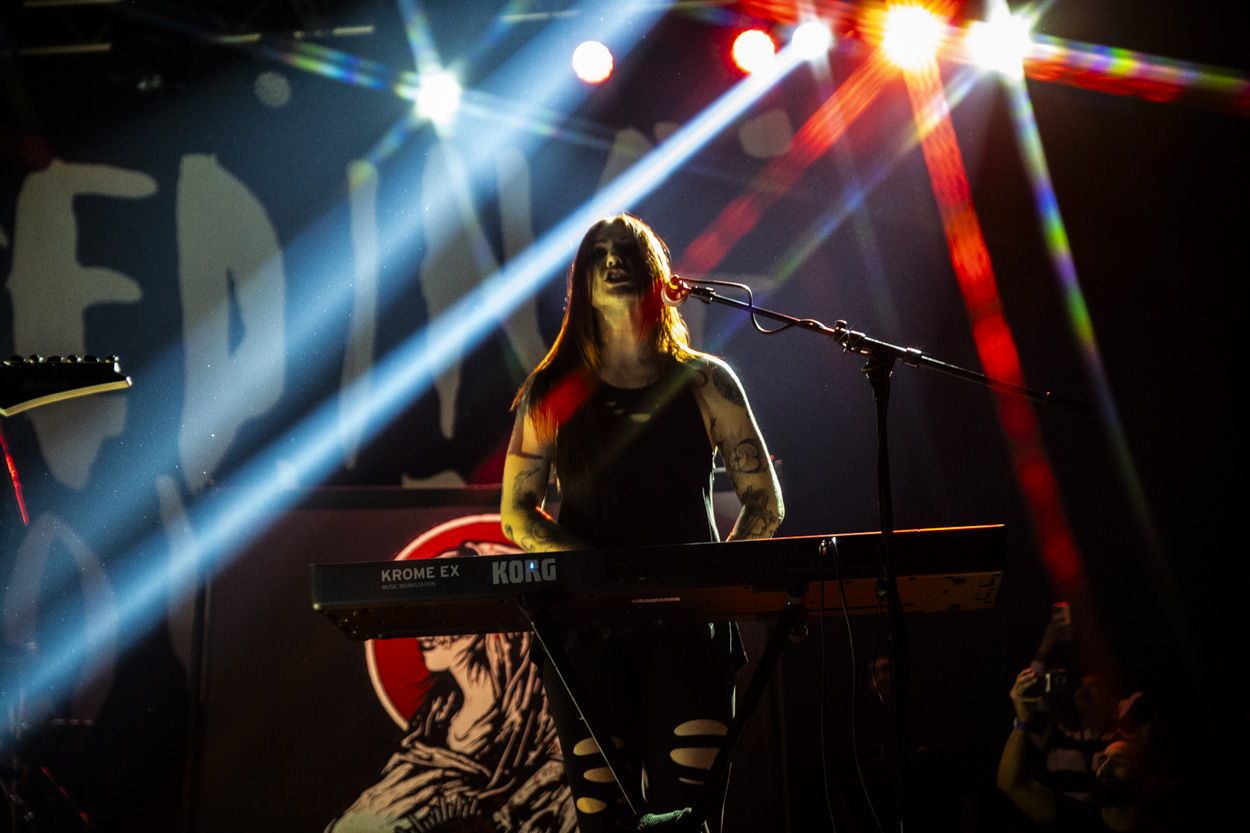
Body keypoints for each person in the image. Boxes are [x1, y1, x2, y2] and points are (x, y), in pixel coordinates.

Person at [500, 214, 783, 832]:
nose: (613, 261)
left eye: (627, 250)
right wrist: (596, 571)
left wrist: (714, 588)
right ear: (582, 280)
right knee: (605, 824)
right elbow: (516, 513)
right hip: (586, 632)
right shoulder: (552, 391)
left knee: (692, 821)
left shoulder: (706, 381)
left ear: (656, 272)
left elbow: (765, 501)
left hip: (690, 633)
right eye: (599, 253)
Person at [998, 669, 1161, 832]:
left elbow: (1144, 697)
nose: (1105, 766)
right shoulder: (1058, 736)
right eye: (1102, 760)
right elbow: (1012, 783)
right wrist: (1022, 719)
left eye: (1093, 685)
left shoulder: (1124, 738)